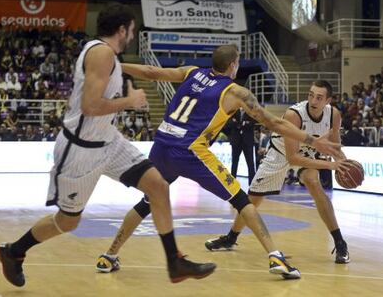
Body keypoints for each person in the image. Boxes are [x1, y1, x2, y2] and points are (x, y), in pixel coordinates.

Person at [0, 4, 216, 288]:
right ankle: (14, 251)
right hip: (81, 149)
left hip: (108, 141)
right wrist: (130, 101)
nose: (133, 36)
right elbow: (90, 106)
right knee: (68, 221)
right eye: (133, 30)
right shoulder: (101, 53)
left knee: (158, 186)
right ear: (122, 29)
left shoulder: (109, 56)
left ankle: (174, 262)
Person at [94, 45, 342, 279]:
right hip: (191, 151)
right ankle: (276, 257)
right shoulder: (235, 92)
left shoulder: (192, 72)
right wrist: (312, 140)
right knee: (242, 201)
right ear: (234, 65)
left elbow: (150, 72)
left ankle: (109, 255)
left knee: (147, 203)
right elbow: (274, 123)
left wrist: (115, 65)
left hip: (161, 146)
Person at [205, 80, 352, 264]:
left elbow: (335, 148)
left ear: (328, 101)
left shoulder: (334, 115)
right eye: (311, 95)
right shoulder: (294, 115)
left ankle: (340, 242)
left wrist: (344, 164)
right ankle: (231, 237)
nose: (313, 100)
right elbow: (293, 158)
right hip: (281, 152)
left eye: (319, 97)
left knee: (314, 183)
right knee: (253, 199)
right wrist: (331, 166)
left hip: (309, 151)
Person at [227, 108, 256, 184]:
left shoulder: (251, 111)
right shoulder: (233, 111)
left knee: (250, 163)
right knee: (234, 163)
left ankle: (252, 184)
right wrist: (242, 123)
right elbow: (229, 123)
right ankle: (232, 183)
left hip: (247, 141)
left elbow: (253, 123)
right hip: (236, 141)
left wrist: (241, 123)